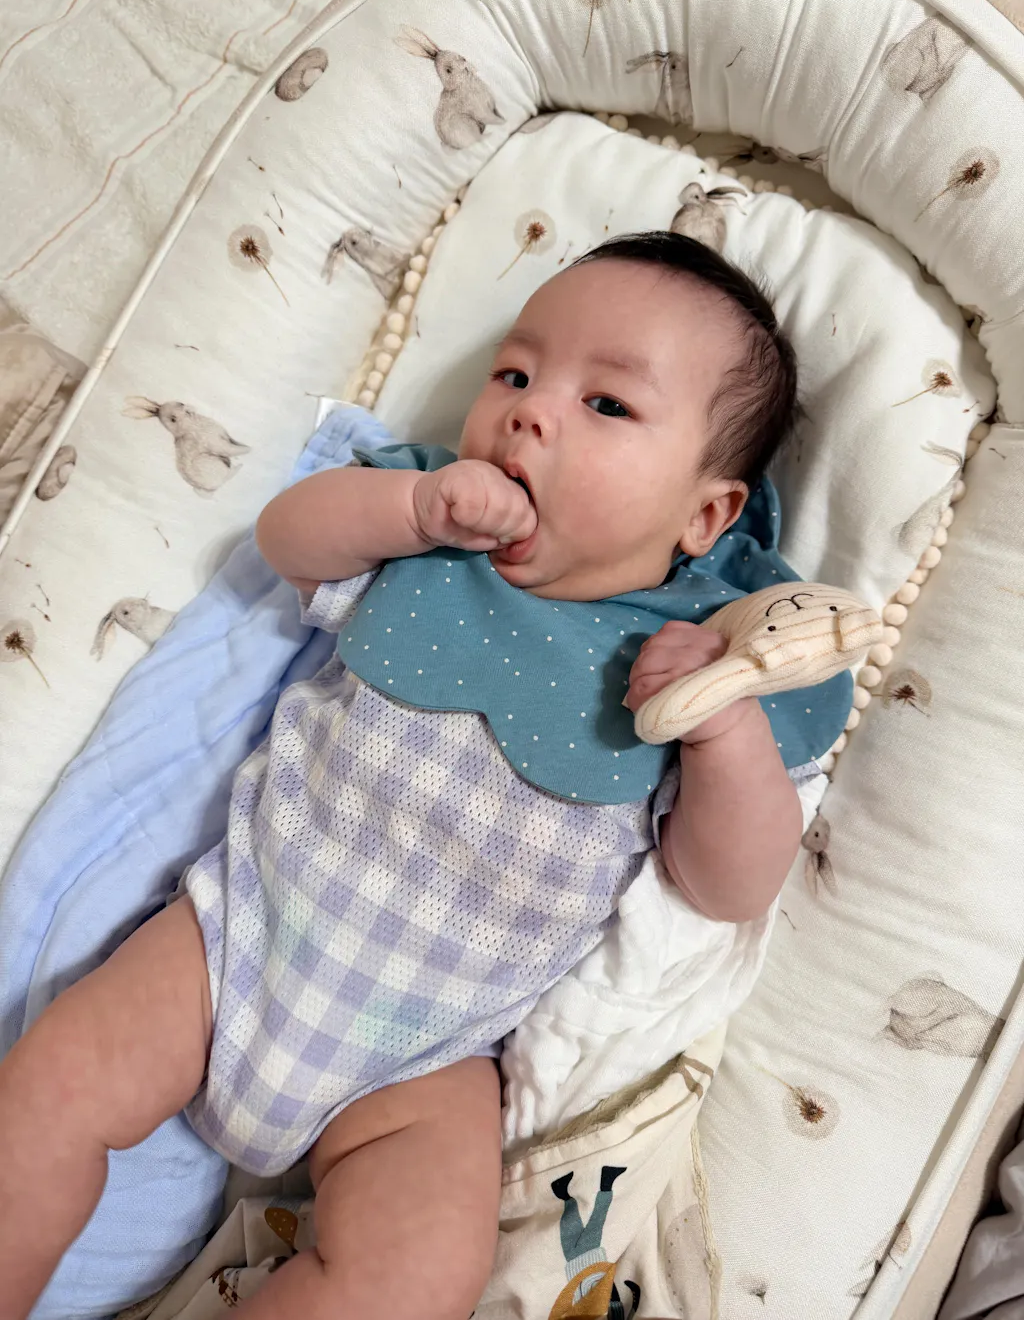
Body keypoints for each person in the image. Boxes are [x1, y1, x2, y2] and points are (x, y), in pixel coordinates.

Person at [0, 232, 807, 1320]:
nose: (530, 412)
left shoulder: (693, 663)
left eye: (607, 404)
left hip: (423, 1064)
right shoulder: (426, 533)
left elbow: (730, 885)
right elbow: (288, 538)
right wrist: (411, 512)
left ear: (705, 515)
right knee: (50, 1086)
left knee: (416, 1279)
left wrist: (722, 731)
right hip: (234, 938)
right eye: (514, 374)